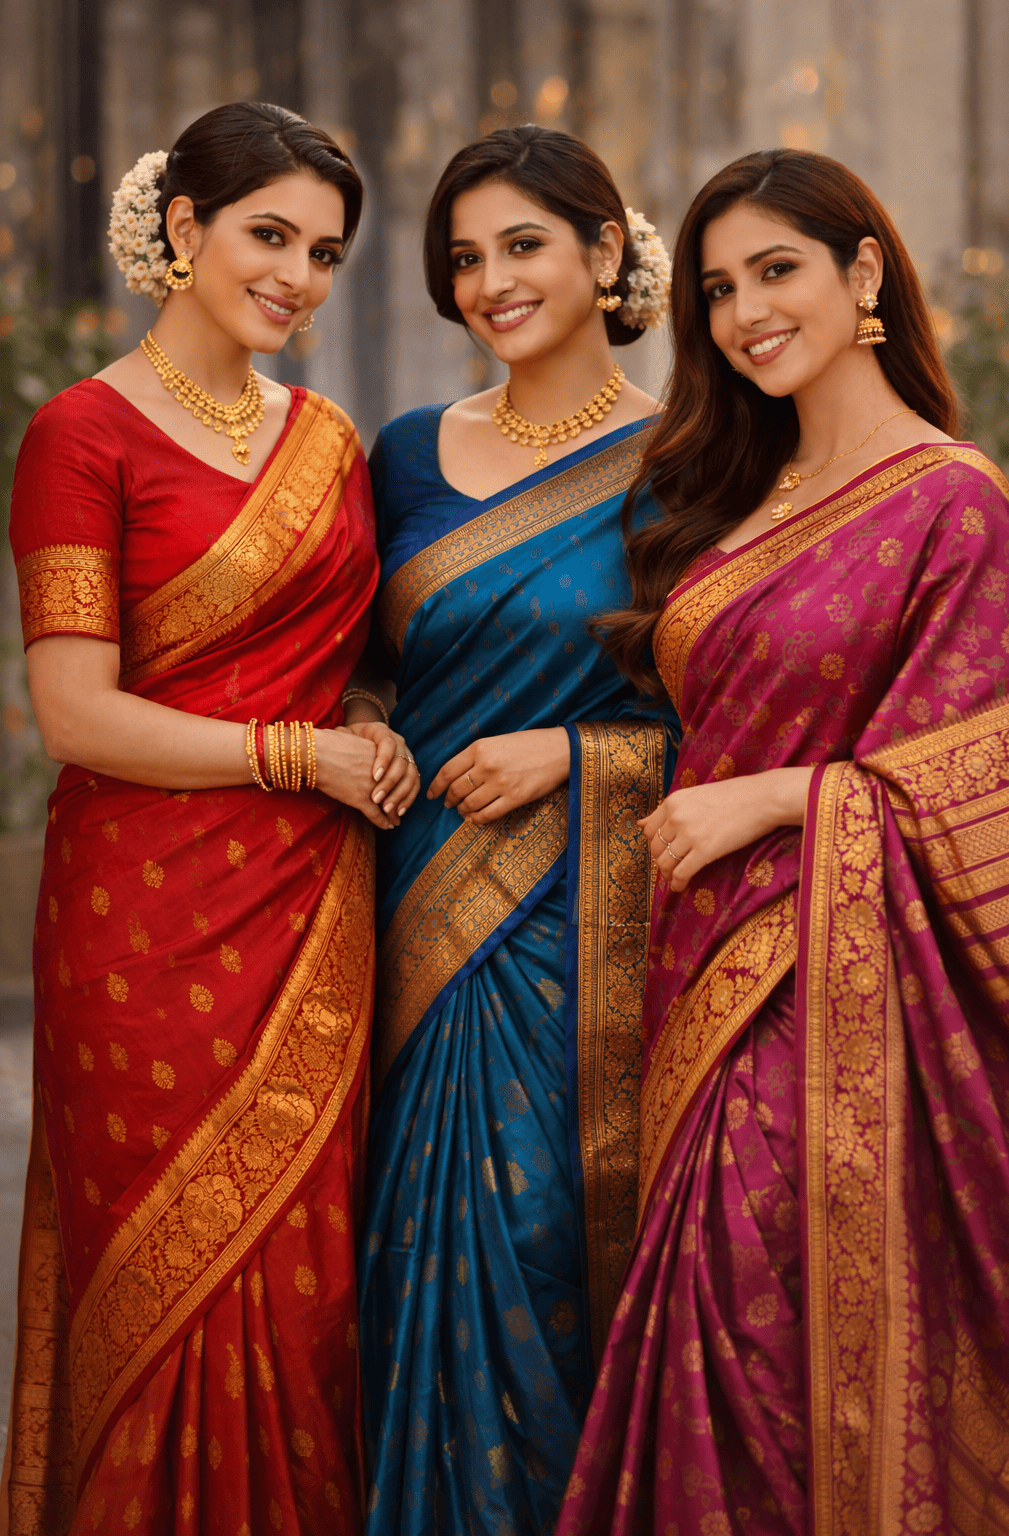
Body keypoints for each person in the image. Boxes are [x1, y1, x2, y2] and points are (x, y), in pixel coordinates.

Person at [555, 147, 1009, 1536]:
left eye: (779, 271)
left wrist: (784, 800)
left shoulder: (954, 500)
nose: (748, 311)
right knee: (729, 1344)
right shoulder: (735, 499)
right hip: (699, 978)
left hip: (844, 1002)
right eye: (718, 288)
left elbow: (996, 769)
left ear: (862, 273)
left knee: (759, 1320)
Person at [5, 101, 417, 1535]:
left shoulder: (333, 440)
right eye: (269, 235)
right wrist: (301, 756)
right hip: (143, 926)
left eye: (325, 251)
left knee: (304, 1296)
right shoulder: (78, 436)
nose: (298, 276)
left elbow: (357, 652)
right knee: (163, 1277)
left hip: (308, 914)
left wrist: (362, 725)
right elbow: (77, 714)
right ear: (183, 231)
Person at [356, 125, 676, 1536]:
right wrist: (360, 720)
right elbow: (363, 659)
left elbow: (744, 709)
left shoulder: (697, 458)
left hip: (583, 931)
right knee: (406, 1255)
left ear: (606, 253)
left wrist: (574, 751)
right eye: (465, 258)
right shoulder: (408, 454)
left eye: (524, 245)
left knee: (546, 1234)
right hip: (411, 913)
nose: (491, 282)